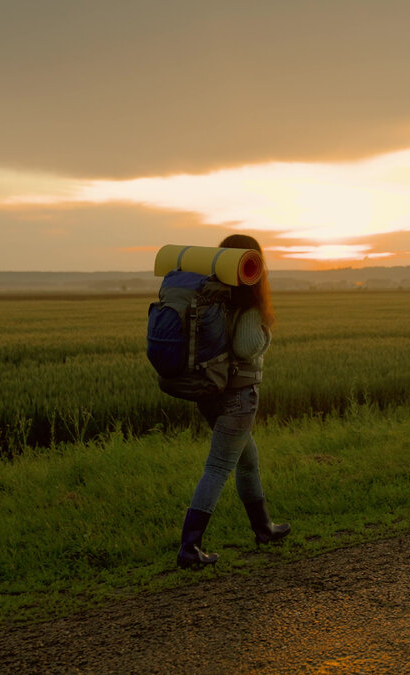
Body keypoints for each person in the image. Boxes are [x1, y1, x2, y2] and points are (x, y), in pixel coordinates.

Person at [177, 234, 291, 569]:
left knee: (247, 460)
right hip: (238, 396)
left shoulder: (209, 293)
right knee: (218, 467)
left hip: (210, 392)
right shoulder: (247, 300)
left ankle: (264, 528)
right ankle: (189, 547)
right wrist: (266, 332)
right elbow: (245, 346)